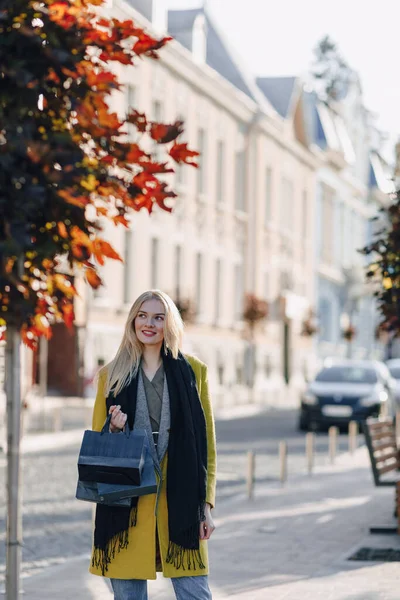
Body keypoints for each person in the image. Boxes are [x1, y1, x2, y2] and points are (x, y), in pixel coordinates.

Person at [90, 290, 217, 600]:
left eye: (158, 317)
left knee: (195, 594)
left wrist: (207, 507)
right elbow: (99, 450)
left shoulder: (193, 372)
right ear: (133, 321)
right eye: (142, 316)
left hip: (182, 505)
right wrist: (115, 429)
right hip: (127, 509)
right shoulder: (111, 376)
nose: (149, 324)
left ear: (168, 324)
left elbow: (207, 446)